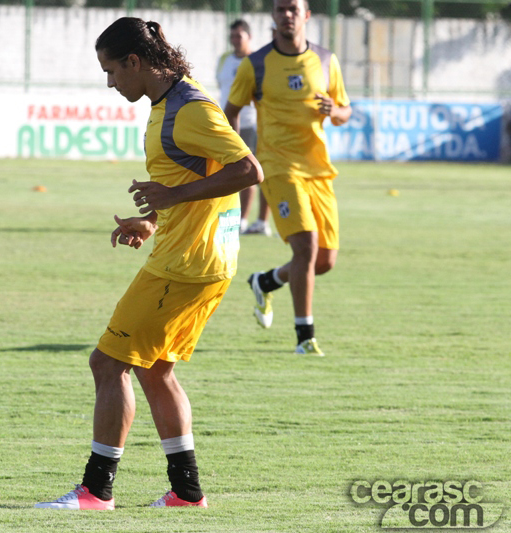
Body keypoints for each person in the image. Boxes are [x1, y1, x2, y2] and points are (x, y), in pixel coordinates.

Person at [35, 17, 262, 511]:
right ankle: (186, 492)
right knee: (156, 370)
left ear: (135, 61)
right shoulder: (168, 103)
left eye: (112, 70)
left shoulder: (191, 108)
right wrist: (154, 220)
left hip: (185, 266)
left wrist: (171, 198)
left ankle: (96, 491)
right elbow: (197, 175)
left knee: (108, 363)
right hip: (197, 259)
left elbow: (249, 169)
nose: (110, 82)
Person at [224, 0, 352, 356]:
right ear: (273, 16)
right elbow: (230, 111)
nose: (287, 15)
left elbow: (345, 110)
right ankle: (304, 337)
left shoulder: (326, 60)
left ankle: (265, 281)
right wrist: (239, 154)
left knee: (323, 261)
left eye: (293, 9)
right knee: (306, 246)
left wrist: (335, 109)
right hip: (278, 166)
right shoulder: (256, 64)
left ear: (306, 15)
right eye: (280, 9)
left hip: (319, 170)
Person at [216, 19, 270, 236]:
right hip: (226, 123)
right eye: (232, 36)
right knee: (226, 171)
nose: (235, 40)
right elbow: (223, 88)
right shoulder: (224, 60)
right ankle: (234, 218)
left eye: (239, 36)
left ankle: (247, 221)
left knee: (250, 170)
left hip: (251, 123)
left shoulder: (257, 61)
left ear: (249, 37)